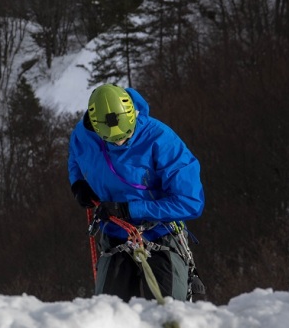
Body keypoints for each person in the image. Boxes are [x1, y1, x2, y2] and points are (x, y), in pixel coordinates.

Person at [68, 84, 204, 301]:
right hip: (114, 234)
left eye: (125, 136)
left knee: (167, 312)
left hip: (161, 233)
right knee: (108, 315)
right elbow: (76, 156)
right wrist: (77, 184)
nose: (120, 142)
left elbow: (190, 201)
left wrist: (129, 209)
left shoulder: (161, 139)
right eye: (113, 140)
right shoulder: (84, 135)